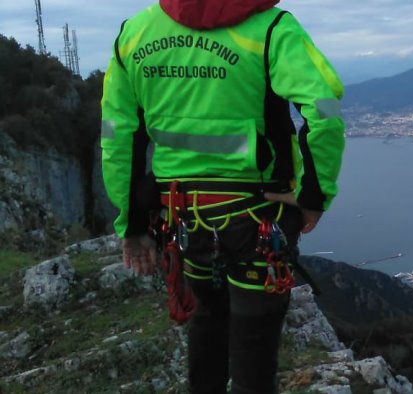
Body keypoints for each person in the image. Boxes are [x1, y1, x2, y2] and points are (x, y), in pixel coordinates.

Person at [100, 0, 345, 392]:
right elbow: (326, 110)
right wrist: (314, 194)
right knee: (254, 353)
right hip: (257, 219)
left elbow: (116, 136)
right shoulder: (271, 27)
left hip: (186, 222)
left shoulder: (135, 35)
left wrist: (130, 224)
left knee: (206, 330)